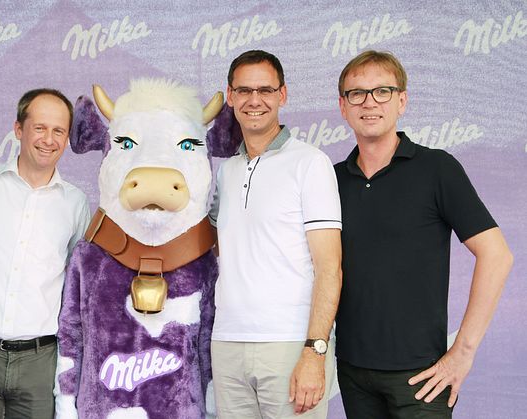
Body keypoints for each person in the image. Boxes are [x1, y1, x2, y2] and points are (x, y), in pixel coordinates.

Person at [334, 50, 513, 418]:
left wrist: (462, 352)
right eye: (357, 94)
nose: (369, 102)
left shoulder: (437, 168)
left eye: (382, 91)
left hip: (421, 375)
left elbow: (497, 255)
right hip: (351, 371)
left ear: (402, 101)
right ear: (343, 106)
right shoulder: (330, 178)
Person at [209, 49, 343, 418]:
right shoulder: (227, 170)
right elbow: (216, 247)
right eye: (245, 90)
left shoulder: (310, 163)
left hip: (289, 344)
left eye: (266, 90)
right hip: (227, 343)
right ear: (231, 95)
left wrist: (315, 351)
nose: (255, 101)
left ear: (282, 95)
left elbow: (330, 268)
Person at [0, 88, 90, 419]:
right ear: (19, 129)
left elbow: (78, 281)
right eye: (39, 128)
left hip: (40, 359)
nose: (48, 139)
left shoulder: (76, 203)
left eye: (58, 131)